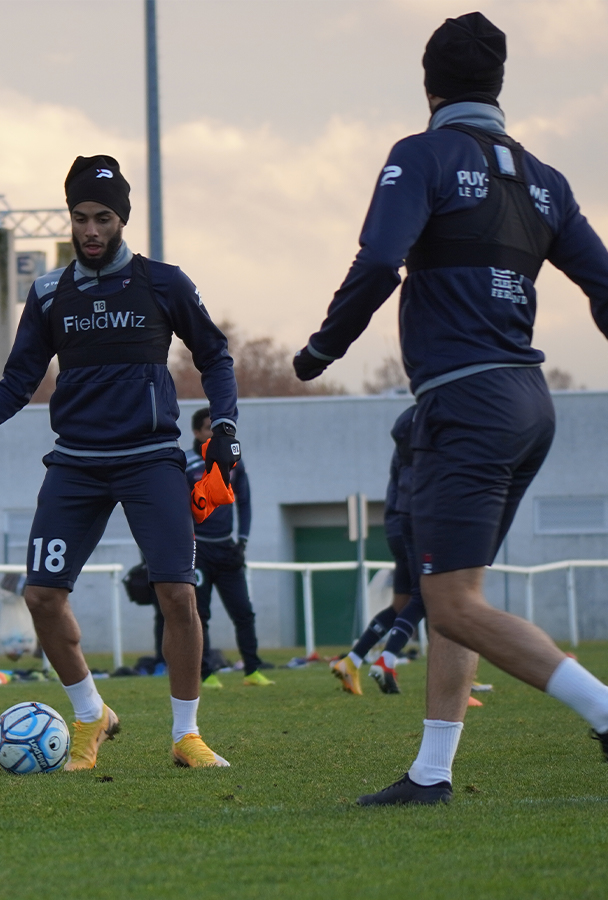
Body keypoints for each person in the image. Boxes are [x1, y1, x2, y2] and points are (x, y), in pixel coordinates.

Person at [294, 12, 608, 805]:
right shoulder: (547, 180)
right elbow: (604, 286)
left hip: (466, 401)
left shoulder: (422, 155)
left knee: (451, 601)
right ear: (499, 85)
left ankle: (604, 711)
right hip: (530, 404)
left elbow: (377, 264)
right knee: (454, 597)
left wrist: (323, 349)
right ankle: (431, 774)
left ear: (428, 85)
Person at [0, 155, 240, 770]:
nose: (90, 230)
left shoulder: (164, 283)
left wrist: (223, 428)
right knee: (41, 596)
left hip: (151, 460)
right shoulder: (48, 294)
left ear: (122, 219)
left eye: (103, 218)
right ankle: (92, 716)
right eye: (80, 217)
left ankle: (186, 736)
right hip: (76, 465)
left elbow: (216, 357)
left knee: (177, 592)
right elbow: (18, 381)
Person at [154, 406, 272, 689]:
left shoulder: (231, 462)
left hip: (228, 549)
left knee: (243, 612)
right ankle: (206, 674)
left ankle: (252, 671)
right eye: (209, 428)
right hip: (200, 550)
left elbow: (244, 502)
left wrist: (242, 540)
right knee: (199, 614)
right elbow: (178, 508)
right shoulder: (186, 463)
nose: (213, 433)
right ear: (196, 432)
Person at [331, 405, 424, 696]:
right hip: (414, 521)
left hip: (396, 522)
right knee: (428, 597)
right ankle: (387, 659)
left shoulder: (408, 434)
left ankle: (353, 659)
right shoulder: (426, 431)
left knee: (401, 604)